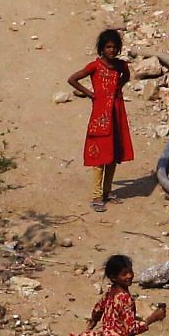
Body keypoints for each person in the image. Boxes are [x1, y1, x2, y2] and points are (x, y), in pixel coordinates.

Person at [68, 27, 134, 211]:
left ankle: (107, 191)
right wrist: (91, 94)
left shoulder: (121, 66)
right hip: (100, 115)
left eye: (114, 47)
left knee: (113, 155)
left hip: (116, 113)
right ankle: (97, 195)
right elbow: (72, 79)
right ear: (102, 48)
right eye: (108, 47)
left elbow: (126, 76)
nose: (111, 50)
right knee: (99, 157)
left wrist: (117, 89)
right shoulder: (95, 66)